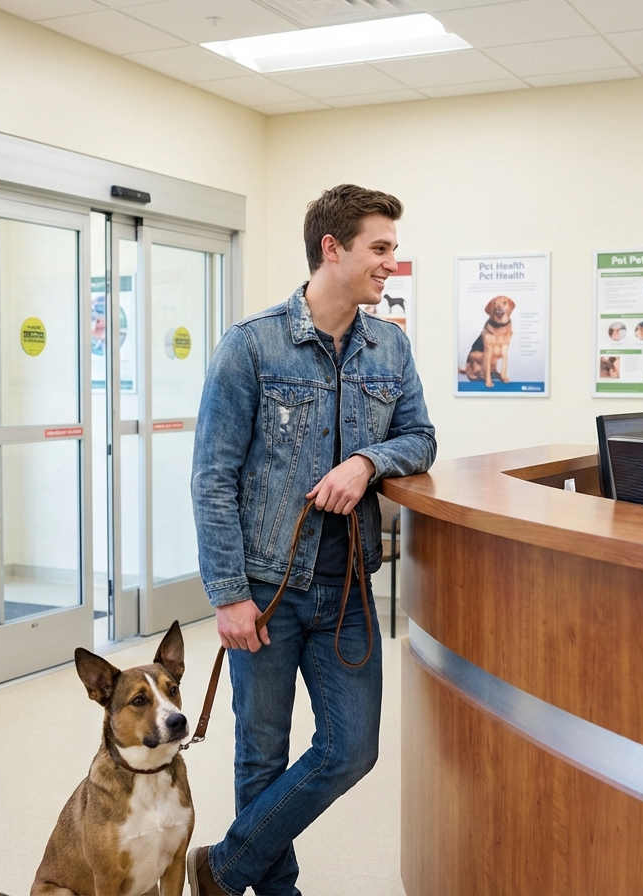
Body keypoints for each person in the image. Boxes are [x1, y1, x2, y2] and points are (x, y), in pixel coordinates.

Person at [188, 184, 436, 895]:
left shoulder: (391, 345)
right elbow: (212, 478)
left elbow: (420, 437)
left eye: (393, 248)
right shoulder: (251, 345)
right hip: (267, 587)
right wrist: (228, 596)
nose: (390, 262)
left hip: (350, 586)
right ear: (333, 249)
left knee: (351, 749)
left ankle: (222, 868)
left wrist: (367, 462)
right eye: (379, 247)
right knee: (261, 756)